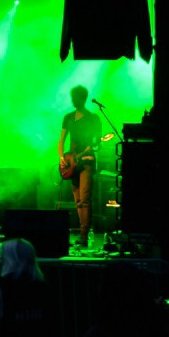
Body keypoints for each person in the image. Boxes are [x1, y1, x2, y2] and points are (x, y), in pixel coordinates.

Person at [57, 85, 101, 248]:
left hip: (87, 161)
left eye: (75, 97)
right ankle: (83, 234)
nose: (72, 100)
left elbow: (97, 143)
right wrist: (62, 157)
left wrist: (94, 145)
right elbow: (61, 141)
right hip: (72, 162)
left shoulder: (94, 118)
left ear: (82, 98)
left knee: (85, 198)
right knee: (78, 201)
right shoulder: (68, 117)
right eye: (71, 97)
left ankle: (84, 235)